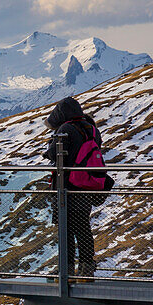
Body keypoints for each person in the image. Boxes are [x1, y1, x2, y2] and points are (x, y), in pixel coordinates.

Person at [44, 96, 107, 277]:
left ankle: (66, 268)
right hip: (86, 186)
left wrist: (49, 147)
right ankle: (87, 267)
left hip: (67, 187)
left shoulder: (65, 129)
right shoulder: (91, 128)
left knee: (65, 229)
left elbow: (54, 154)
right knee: (83, 227)